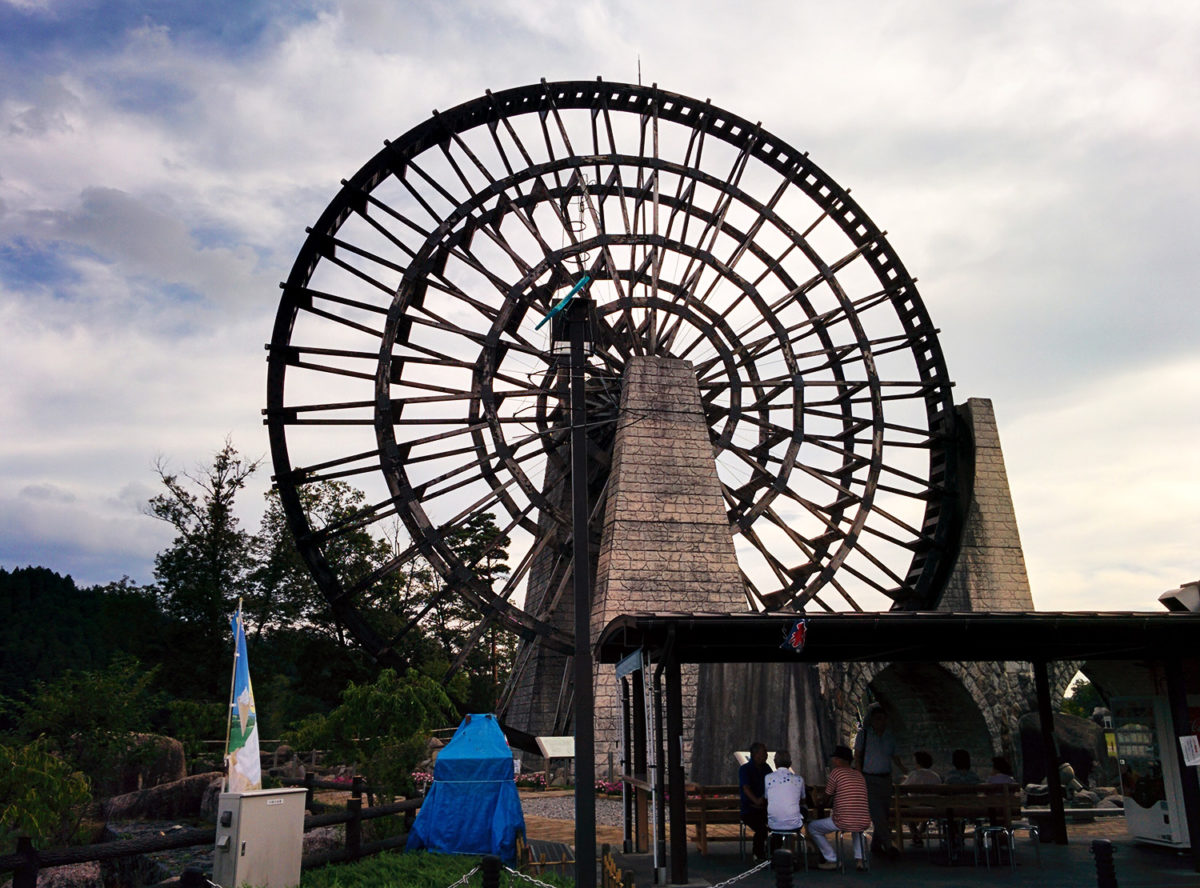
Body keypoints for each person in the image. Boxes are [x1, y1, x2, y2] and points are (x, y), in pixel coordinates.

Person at [809, 745, 871, 871]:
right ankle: (860, 860)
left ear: (839, 760)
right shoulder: (859, 775)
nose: (833, 761)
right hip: (864, 820)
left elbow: (827, 795)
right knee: (857, 829)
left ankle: (832, 859)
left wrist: (820, 801)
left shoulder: (836, 773)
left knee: (812, 827)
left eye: (834, 758)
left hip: (843, 821)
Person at [853, 704, 905, 857]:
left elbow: (894, 756)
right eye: (877, 719)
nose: (880, 722)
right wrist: (859, 775)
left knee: (883, 812)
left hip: (885, 777)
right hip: (869, 777)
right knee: (876, 812)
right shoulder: (864, 735)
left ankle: (876, 844)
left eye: (882, 719)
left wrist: (904, 769)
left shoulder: (889, 736)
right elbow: (857, 756)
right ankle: (889, 846)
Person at [739, 741, 772, 860]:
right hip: (749, 809)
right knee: (761, 828)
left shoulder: (766, 768)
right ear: (755, 755)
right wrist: (756, 801)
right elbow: (746, 788)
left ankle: (772, 851)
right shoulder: (745, 769)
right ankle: (758, 854)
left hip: (764, 808)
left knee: (778, 825)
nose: (766, 755)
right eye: (764, 753)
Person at [901, 750, 941, 847]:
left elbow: (903, 788)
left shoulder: (915, 774)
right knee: (924, 806)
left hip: (915, 807)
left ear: (918, 762)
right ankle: (918, 834)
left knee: (904, 808)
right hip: (932, 807)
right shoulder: (935, 776)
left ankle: (915, 834)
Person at [764, 748, 806, 841]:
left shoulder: (768, 778)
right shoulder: (799, 779)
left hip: (773, 824)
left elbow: (767, 798)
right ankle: (796, 848)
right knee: (804, 810)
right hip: (795, 824)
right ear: (790, 763)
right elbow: (803, 800)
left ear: (775, 763)